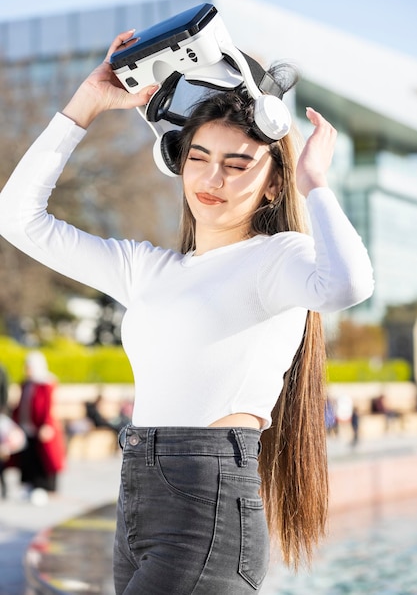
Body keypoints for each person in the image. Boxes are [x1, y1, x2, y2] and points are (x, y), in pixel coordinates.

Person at [0, 29, 374, 593]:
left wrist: (315, 181)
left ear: (275, 184)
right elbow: (18, 219)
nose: (212, 178)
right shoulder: (146, 268)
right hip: (139, 495)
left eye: (237, 163)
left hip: (209, 505)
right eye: (198, 157)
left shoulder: (279, 259)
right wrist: (88, 103)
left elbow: (348, 284)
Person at [11, 351, 66, 504]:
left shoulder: (47, 384)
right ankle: (30, 485)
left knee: (44, 458)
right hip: (26, 428)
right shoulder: (26, 384)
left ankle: (44, 488)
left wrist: (47, 424)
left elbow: (50, 406)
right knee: (28, 458)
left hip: (42, 428)